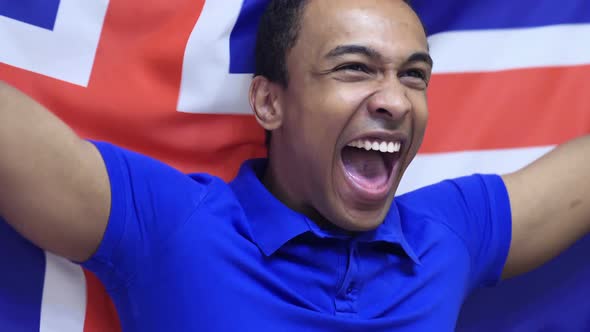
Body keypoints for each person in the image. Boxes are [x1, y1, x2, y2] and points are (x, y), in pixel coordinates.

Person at [0, 0, 588, 331]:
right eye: (355, 68)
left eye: (414, 75)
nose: (395, 99)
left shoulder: (451, 233)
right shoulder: (173, 226)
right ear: (268, 101)